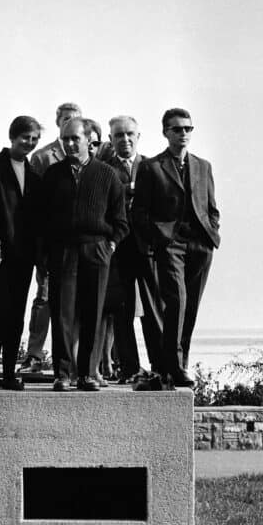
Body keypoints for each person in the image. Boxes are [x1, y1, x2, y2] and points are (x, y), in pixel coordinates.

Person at [132, 108, 219, 387]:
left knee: (190, 306)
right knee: (177, 301)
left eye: (187, 129)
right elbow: (140, 212)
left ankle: (179, 364)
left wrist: (212, 234)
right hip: (170, 245)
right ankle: (173, 364)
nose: (183, 134)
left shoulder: (203, 166)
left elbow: (211, 208)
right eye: (177, 129)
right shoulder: (151, 167)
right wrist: (157, 239)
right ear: (165, 132)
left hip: (200, 244)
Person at [41, 117, 128, 391]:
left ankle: (88, 374)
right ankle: (63, 374)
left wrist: (110, 245)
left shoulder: (107, 174)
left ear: (88, 140)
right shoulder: (53, 175)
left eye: (74, 139)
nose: (68, 144)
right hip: (63, 251)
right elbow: (41, 218)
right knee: (62, 313)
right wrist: (45, 255)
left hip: (96, 250)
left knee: (94, 312)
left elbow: (121, 220)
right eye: (64, 138)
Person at [0, 115, 43, 391]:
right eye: (25, 137)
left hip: (23, 256)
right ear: (12, 137)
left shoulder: (34, 175)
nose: (29, 143)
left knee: (16, 315)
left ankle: (8, 375)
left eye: (34, 139)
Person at [100, 116, 163, 382]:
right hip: (119, 249)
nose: (125, 139)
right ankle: (129, 367)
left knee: (153, 307)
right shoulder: (103, 170)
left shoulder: (152, 167)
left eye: (129, 134)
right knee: (122, 310)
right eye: (119, 135)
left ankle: (161, 365)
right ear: (111, 139)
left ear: (138, 137)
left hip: (148, 247)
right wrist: (129, 189)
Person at [23, 101, 83, 373]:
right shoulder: (43, 157)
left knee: (78, 301)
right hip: (51, 240)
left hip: (81, 243)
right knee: (45, 297)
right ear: (58, 123)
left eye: (75, 120)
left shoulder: (89, 155)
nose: (70, 123)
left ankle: (76, 357)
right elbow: (33, 202)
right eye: (65, 120)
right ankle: (34, 354)